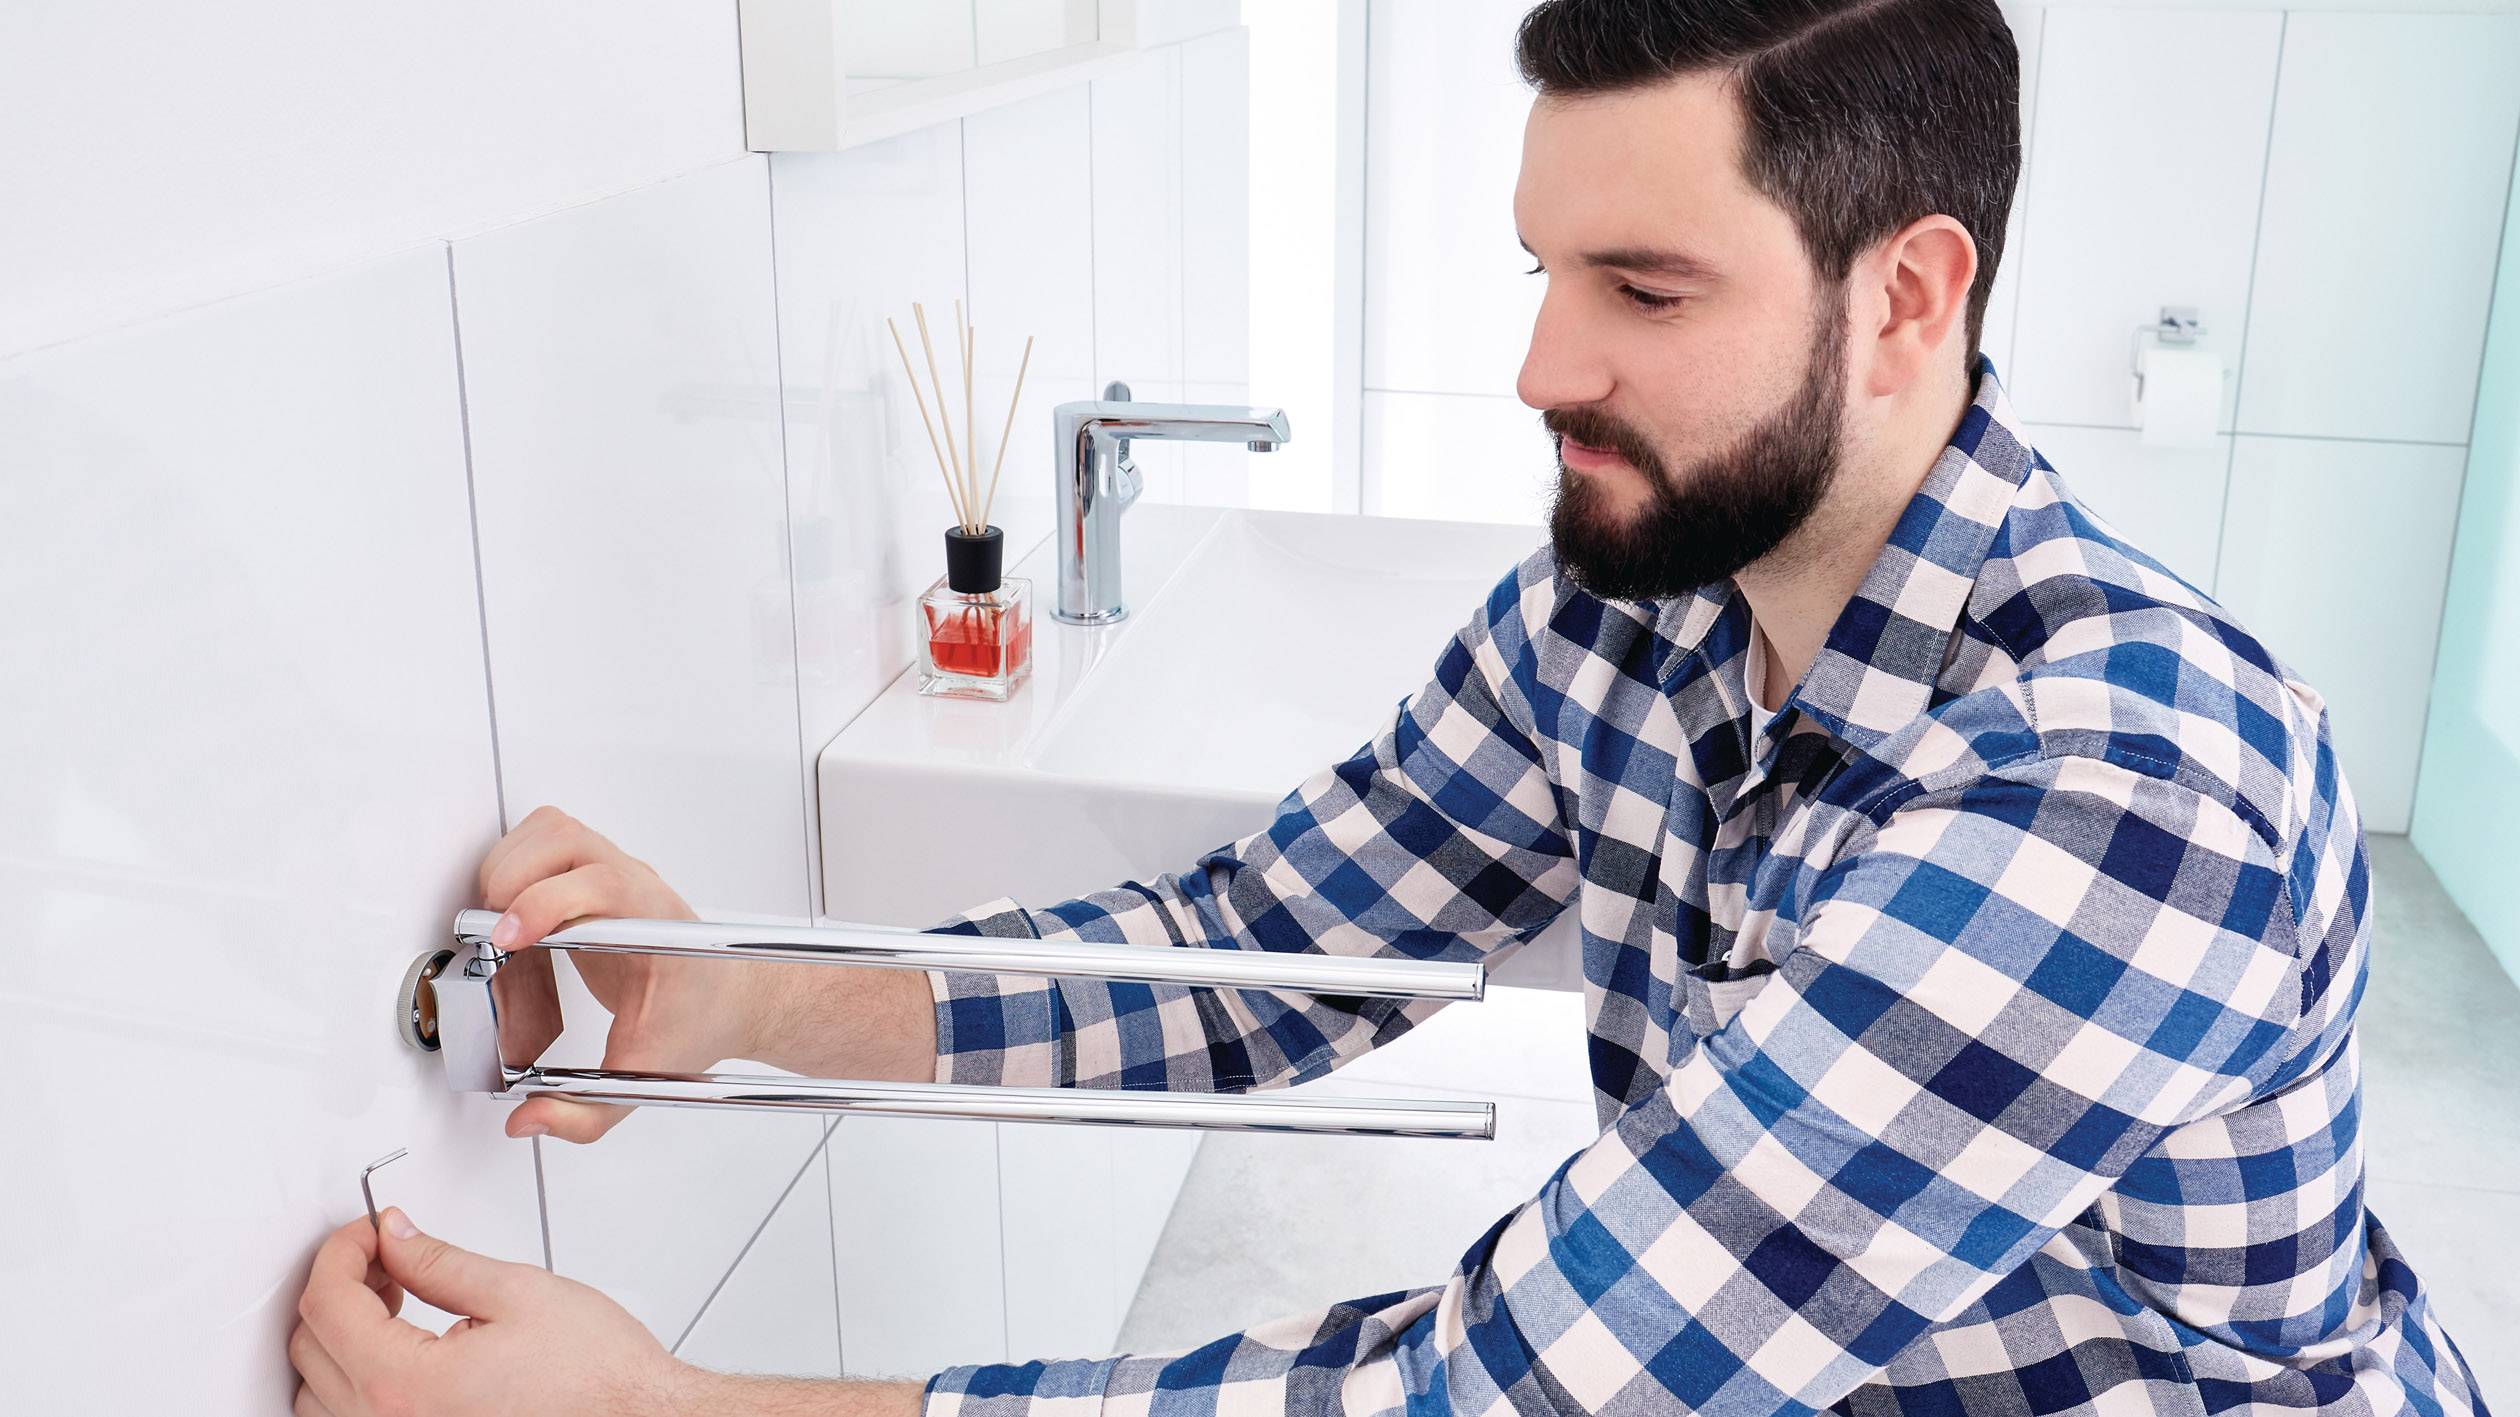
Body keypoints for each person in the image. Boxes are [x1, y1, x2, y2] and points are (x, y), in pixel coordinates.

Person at [288, 1, 2489, 1413]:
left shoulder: (2128, 794)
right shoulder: (1632, 607)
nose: (1541, 368)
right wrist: (747, 991)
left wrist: (671, 1415)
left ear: (1907, 300)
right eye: (1541, 270)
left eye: (1642, 289)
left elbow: (1495, 1398)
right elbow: (1266, 960)